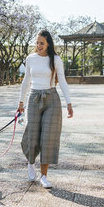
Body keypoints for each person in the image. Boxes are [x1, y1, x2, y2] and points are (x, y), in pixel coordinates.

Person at [18, 30, 73, 188]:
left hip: (52, 100)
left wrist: (68, 103)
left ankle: (44, 176)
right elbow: (26, 80)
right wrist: (20, 101)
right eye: (37, 42)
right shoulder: (31, 59)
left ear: (48, 43)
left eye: (42, 43)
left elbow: (62, 81)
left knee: (48, 137)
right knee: (32, 133)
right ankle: (30, 162)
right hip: (34, 98)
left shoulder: (55, 59)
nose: (39, 45)